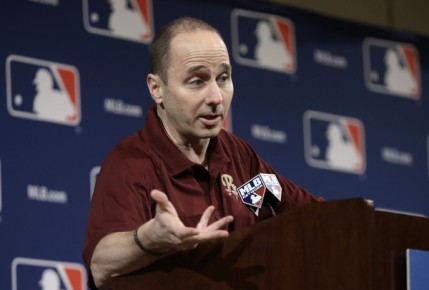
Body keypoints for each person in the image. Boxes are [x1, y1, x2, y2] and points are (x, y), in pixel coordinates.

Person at [82, 17, 323, 290]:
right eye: (197, 81)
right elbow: (101, 267)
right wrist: (149, 239)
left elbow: (300, 211)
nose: (216, 97)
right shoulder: (131, 163)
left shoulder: (239, 158)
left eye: (223, 78)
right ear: (156, 88)